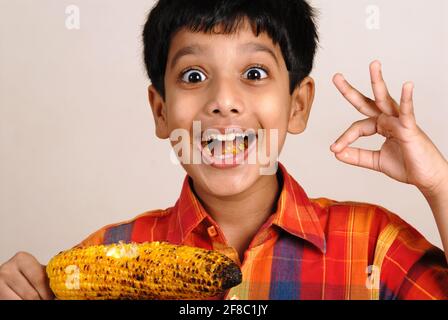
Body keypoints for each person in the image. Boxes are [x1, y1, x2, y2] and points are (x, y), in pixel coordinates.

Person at [1, 0, 447, 300]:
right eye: (194, 76)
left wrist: (439, 184)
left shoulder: (375, 249)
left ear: (298, 104)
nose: (223, 100)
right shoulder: (103, 255)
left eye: (254, 73)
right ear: (160, 112)